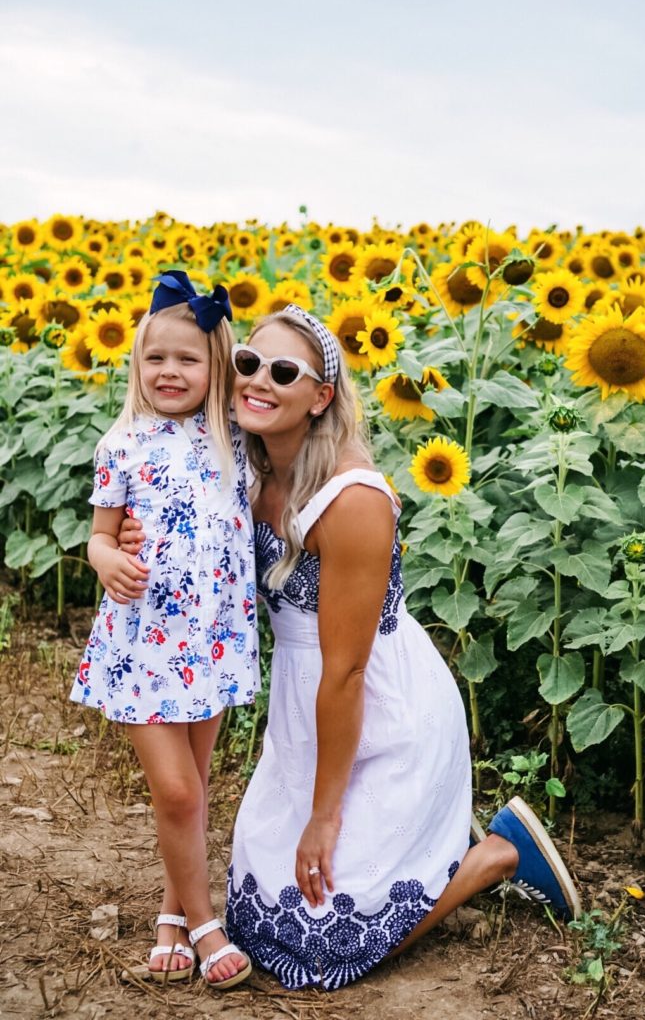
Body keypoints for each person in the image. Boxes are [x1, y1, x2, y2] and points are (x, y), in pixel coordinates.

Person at [120, 304, 582, 992]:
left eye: (284, 372)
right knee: (258, 929)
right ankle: (419, 853)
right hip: (306, 720)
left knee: (321, 955)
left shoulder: (353, 498)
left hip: (381, 713)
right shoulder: (242, 466)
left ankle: (493, 857)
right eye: (248, 363)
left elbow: (346, 672)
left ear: (321, 396)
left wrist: (323, 816)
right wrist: (132, 539)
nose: (258, 382)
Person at [69, 271, 258, 990]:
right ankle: (209, 926)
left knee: (197, 785)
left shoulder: (234, 438)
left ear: (215, 367)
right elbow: (98, 535)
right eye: (156, 358)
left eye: (188, 358)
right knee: (177, 792)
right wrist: (109, 559)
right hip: (143, 640)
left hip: (210, 639)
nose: (169, 371)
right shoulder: (122, 441)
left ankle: (170, 917)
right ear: (135, 366)